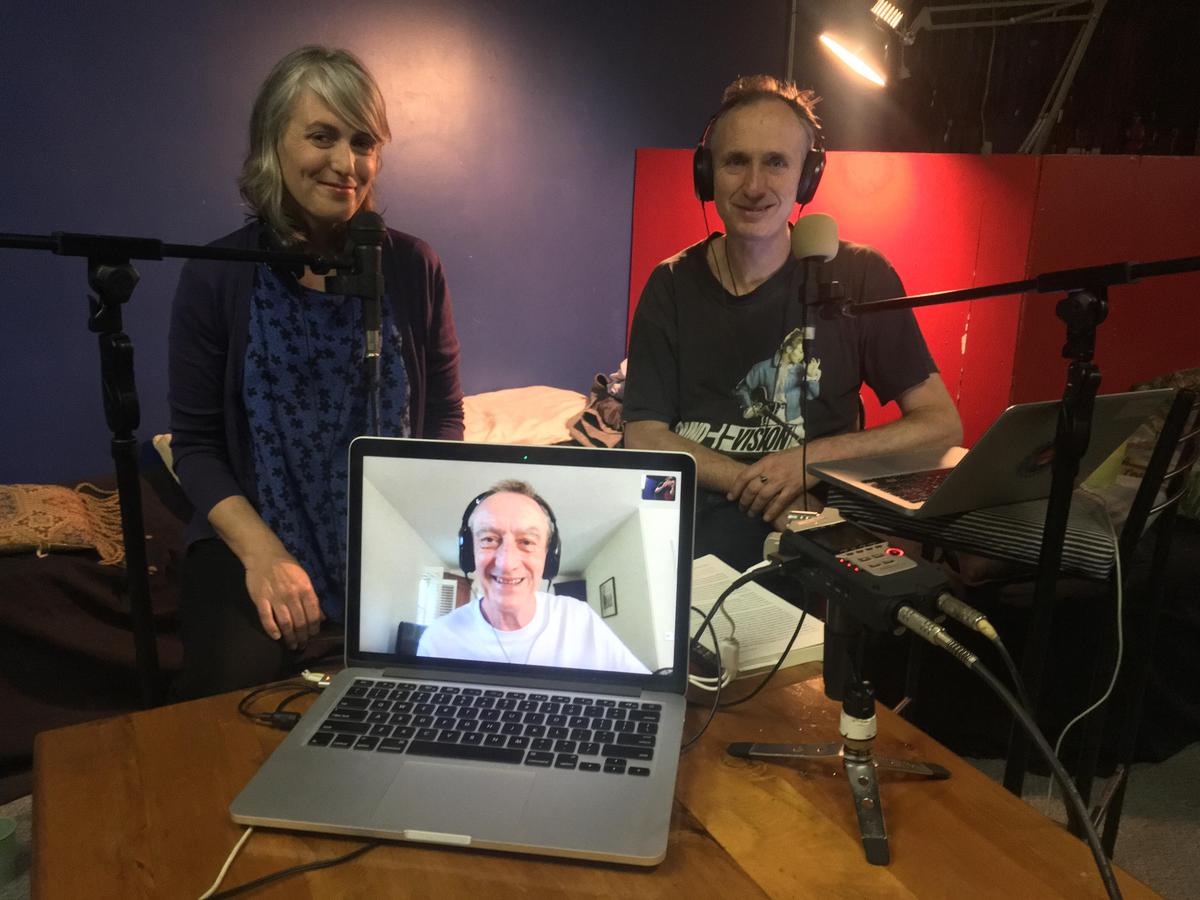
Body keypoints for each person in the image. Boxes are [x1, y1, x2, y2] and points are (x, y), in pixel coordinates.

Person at [169, 46, 464, 698]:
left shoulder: (414, 268)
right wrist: (263, 555)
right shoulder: (217, 275)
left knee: (459, 683)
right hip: (255, 535)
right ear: (275, 145)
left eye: (362, 141)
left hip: (393, 535)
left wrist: (427, 539)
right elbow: (194, 446)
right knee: (226, 702)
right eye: (321, 136)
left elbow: (445, 418)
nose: (344, 163)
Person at [623, 75, 961, 572]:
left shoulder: (860, 275)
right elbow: (645, 435)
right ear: (707, 173)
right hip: (700, 522)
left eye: (776, 162)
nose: (755, 186)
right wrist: (762, 484)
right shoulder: (671, 284)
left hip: (813, 521)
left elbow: (939, 424)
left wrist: (807, 461)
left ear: (807, 177)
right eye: (736, 161)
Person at [417, 481, 650, 673]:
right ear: (469, 553)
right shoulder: (437, 639)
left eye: (526, 542)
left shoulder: (578, 618)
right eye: (488, 539)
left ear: (548, 558)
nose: (507, 563)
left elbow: (642, 694)